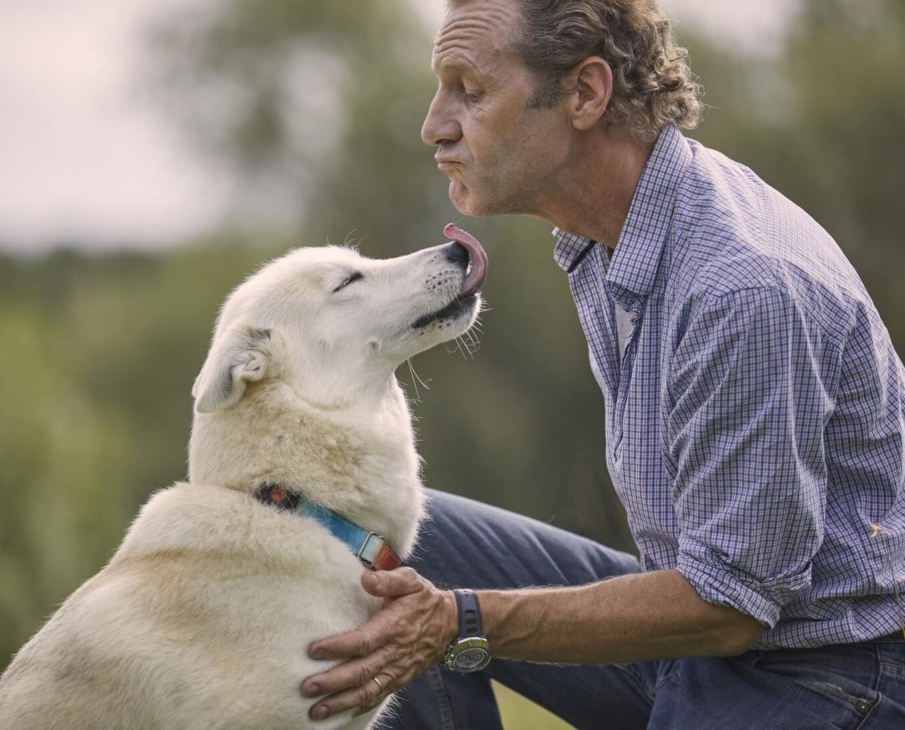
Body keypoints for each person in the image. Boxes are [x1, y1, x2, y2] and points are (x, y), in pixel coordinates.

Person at [300, 0, 905, 726]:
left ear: (586, 94)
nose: (435, 124)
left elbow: (729, 606)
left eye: (471, 90)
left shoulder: (741, 287)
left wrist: (463, 619)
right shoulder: (617, 230)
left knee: (442, 605)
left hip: (827, 672)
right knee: (382, 546)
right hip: (709, 641)